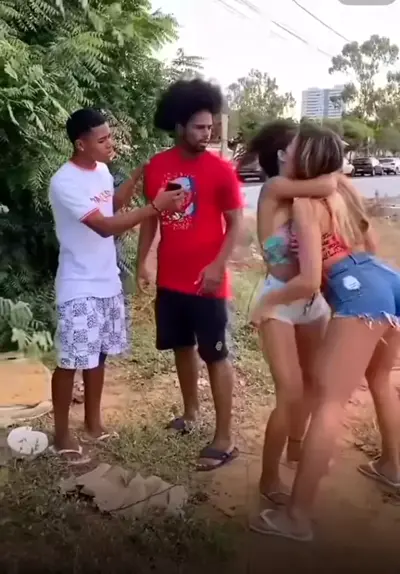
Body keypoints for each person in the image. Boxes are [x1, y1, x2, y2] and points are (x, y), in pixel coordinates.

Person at [250, 124, 400, 541]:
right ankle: (390, 466)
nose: (288, 152)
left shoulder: (308, 200)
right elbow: (284, 261)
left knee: (328, 400)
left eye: (295, 147)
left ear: (303, 157)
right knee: (360, 381)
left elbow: (308, 278)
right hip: (381, 283)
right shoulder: (295, 191)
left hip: (323, 295)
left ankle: (297, 516)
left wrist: (268, 301)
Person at [49, 108, 183, 464]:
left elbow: (112, 206)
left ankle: (93, 424)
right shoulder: (65, 181)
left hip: (108, 280)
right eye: (103, 139)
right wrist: (154, 208)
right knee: (70, 359)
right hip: (79, 283)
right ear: (81, 144)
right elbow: (104, 227)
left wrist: (137, 175)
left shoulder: (102, 171)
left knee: (99, 354)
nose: (111, 144)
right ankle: (61, 435)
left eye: (111, 137)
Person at [136, 79, 244, 471]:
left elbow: (236, 223)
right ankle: (191, 413)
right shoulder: (157, 167)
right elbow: (152, 218)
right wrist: (142, 262)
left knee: (215, 354)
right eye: (199, 127)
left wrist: (218, 266)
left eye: (210, 126)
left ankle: (225, 438)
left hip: (208, 284)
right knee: (182, 347)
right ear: (180, 126)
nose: (208, 133)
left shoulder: (220, 170)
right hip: (170, 280)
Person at [240, 120, 333, 504]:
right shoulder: (275, 187)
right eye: (299, 147)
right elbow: (330, 182)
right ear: (282, 155)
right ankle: (268, 477)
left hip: (311, 301)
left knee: (313, 381)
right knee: (290, 390)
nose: (305, 152)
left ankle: (296, 447)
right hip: (278, 300)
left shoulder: (302, 196)